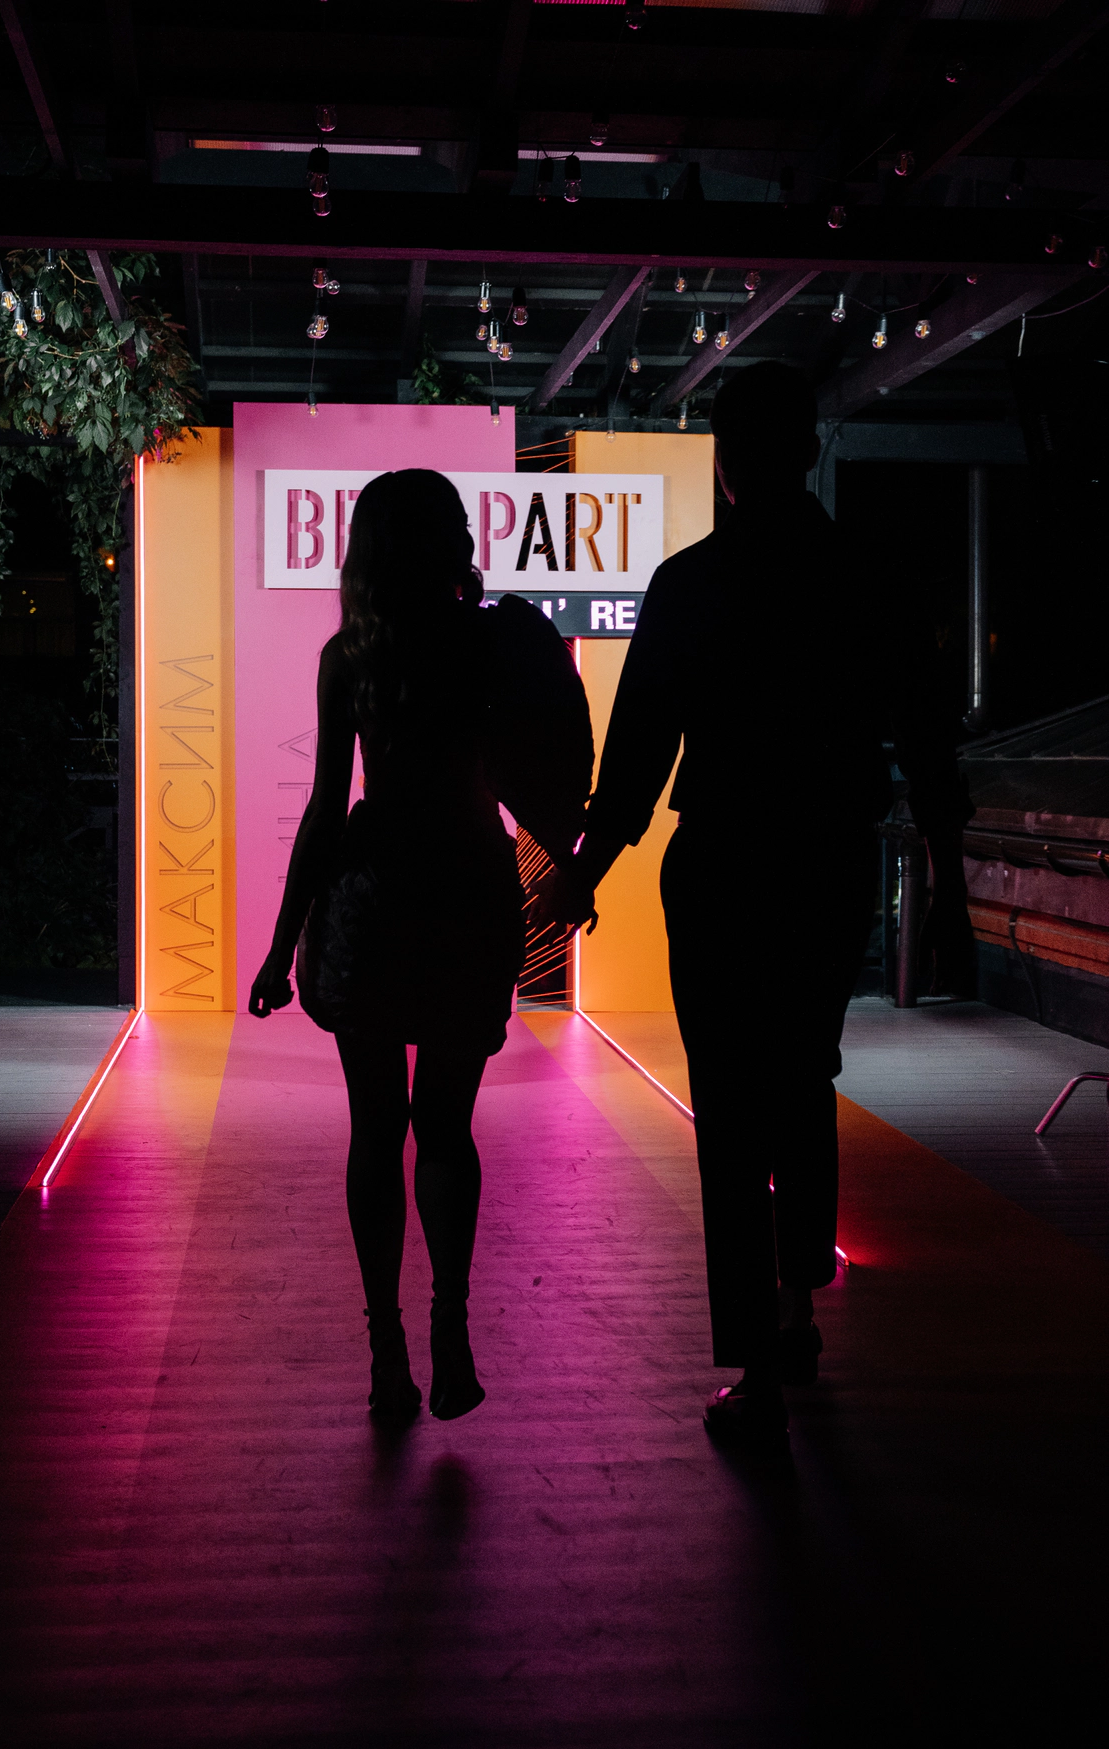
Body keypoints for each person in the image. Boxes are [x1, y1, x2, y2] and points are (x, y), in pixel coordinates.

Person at [550, 362, 974, 1440]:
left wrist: (584, 873)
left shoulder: (691, 584)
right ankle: (795, 1312)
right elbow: (928, 740)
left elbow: (638, 759)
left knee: (731, 1112)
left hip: (723, 865)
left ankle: (756, 1363)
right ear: (811, 449)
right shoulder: (865, 579)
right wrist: (952, 884)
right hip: (828, 861)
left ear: (725, 464)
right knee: (804, 1079)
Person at [250, 470, 591, 1422]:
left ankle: (385, 1349)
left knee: (376, 1130)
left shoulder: (350, 656)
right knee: (447, 1128)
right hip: (470, 893)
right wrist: (573, 863)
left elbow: (326, 813)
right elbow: (539, 770)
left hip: (375, 898)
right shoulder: (490, 642)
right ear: (449, 540)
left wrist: (281, 946)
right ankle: (451, 1324)